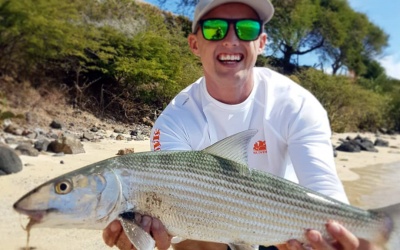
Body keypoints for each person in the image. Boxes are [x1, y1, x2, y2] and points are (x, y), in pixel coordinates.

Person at [103, 0, 380, 249]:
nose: (231, 39)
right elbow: (172, 211)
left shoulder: (295, 103)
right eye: (214, 29)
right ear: (194, 44)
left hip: (288, 228)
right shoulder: (175, 120)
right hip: (217, 227)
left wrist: (346, 235)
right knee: (193, 245)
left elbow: (323, 187)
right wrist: (147, 236)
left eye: (246, 29)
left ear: (261, 42)